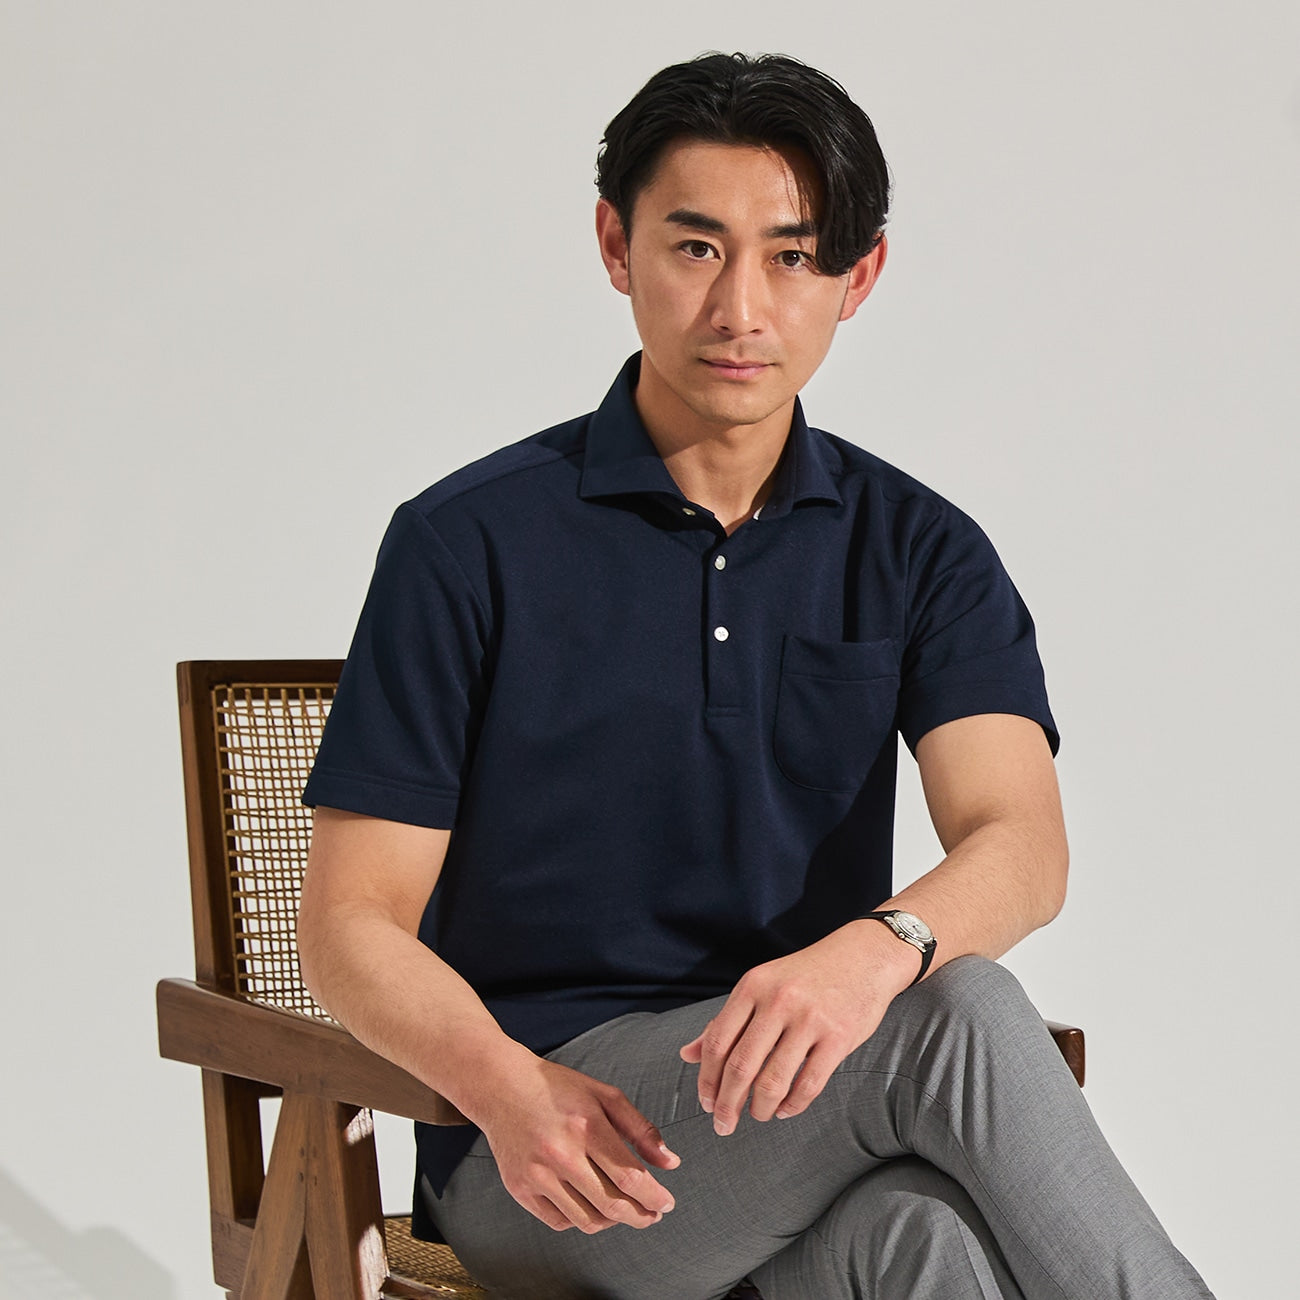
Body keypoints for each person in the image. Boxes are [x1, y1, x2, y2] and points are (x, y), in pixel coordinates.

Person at [297, 52, 1213, 1300]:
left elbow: (1022, 842)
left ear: (857, 277)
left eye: (791, 257)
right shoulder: (467, 542)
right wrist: (505, 1088)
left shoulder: (918, 547)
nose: (741, 308)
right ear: (616, 247)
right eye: (695, 248)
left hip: (810, 1105)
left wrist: (872, 951)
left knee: (929, 1240)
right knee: (959, 1014)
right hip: (553, 1148)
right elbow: (350, 922)